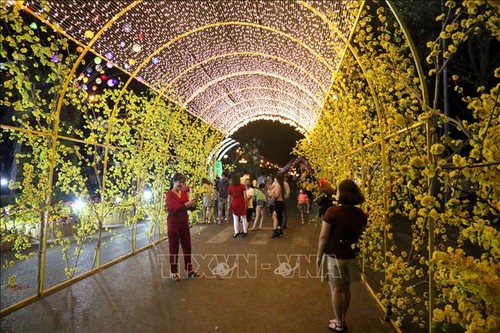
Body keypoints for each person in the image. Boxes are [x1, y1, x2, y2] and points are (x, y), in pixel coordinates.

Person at [316, 179, 367, 331]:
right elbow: (361, 234)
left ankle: (339, 323)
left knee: (336, 290)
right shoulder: (361, 214)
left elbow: (323, 236)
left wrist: (319, 256)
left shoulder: (332, 211)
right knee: (346, 290)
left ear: (342, 193)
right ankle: (342, 318)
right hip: (351, 256)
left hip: (334, 256)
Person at [165, 173, 199, 282]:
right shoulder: (169, 194)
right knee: (174, 248)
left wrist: (193, 205)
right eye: (179, 181)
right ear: (173, 181)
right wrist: (186, 205)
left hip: (184, 222)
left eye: (183, 182)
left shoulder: (184, 193)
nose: (181, 184)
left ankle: (189, 270)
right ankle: (174, 272)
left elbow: (187, 207)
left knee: (187, 246)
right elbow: (173, 209)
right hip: (173, 223)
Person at [269, 173, 285, 238]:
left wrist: (272, 193)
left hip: (279, 202)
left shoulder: (278, 185)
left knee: (275, 215)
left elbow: (276, 195)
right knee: (276, 216)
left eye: (275, 178)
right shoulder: (277, 184)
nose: (274, 179)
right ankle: (278, 229)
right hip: (277, 202)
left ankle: (275, 231)